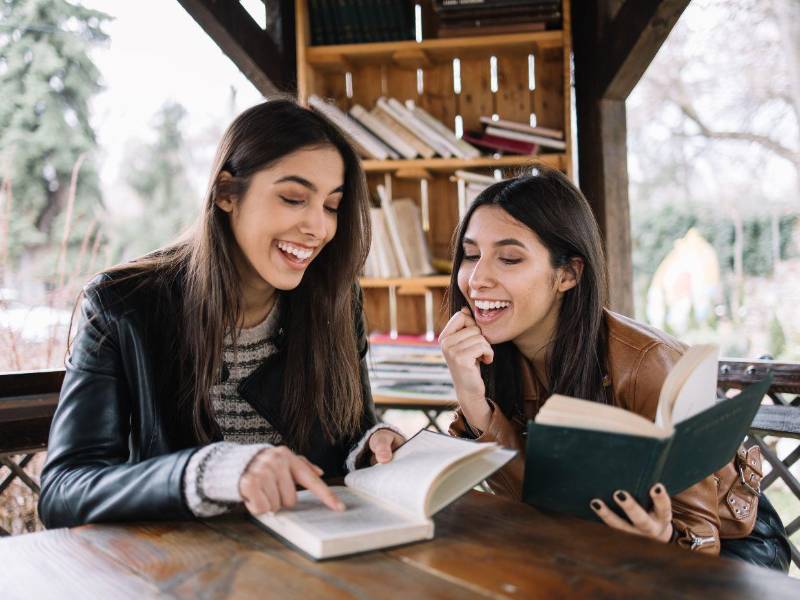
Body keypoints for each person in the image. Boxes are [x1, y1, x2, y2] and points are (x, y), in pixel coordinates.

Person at [38, 99, 404, 528]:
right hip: (179, 575)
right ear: (227, 193)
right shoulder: (122, 305)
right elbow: (64, 491)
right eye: (293, 198)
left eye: (331, 206)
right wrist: (208, 472)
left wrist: (370, 445)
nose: (318, 227)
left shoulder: (336, 300)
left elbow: (351, 434)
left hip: (315, 563)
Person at [439, 168, 789, 566]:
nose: (477, 278)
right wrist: (470, 395)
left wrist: (658, 540)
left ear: (568, 274)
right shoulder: (491, 355)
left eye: (509, 258)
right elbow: (522, 498)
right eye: (471, 255)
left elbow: (699, 543)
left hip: (731, 550)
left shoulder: (649, 363)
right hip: (589, 541)